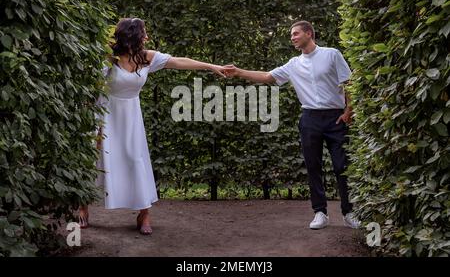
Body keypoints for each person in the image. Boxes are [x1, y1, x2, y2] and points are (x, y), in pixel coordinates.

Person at [78, 17, 226, 235]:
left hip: (131, 115)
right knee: (96, 158)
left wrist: (211, 66)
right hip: (106, 113)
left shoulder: (147, 57)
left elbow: (179, 61)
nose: (147, 37)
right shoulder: (109, 58)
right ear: (132, 36)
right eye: (143, 33)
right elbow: (89, 88)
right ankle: (82, 206)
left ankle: (144, 213)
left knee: (135, 158)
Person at [223, 21, 360, 230]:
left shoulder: (332, 54)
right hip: (310, 119)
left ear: (309, 33)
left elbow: (348, 82)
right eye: (291, 35)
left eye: (296, 34)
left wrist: (348, 112)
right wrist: (238, 72)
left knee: (342, 166)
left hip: (335, 118)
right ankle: (320, 213)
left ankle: (349, 212)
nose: (293, 37)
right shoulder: (293, 64)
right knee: (313, 166)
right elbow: (268, 76)